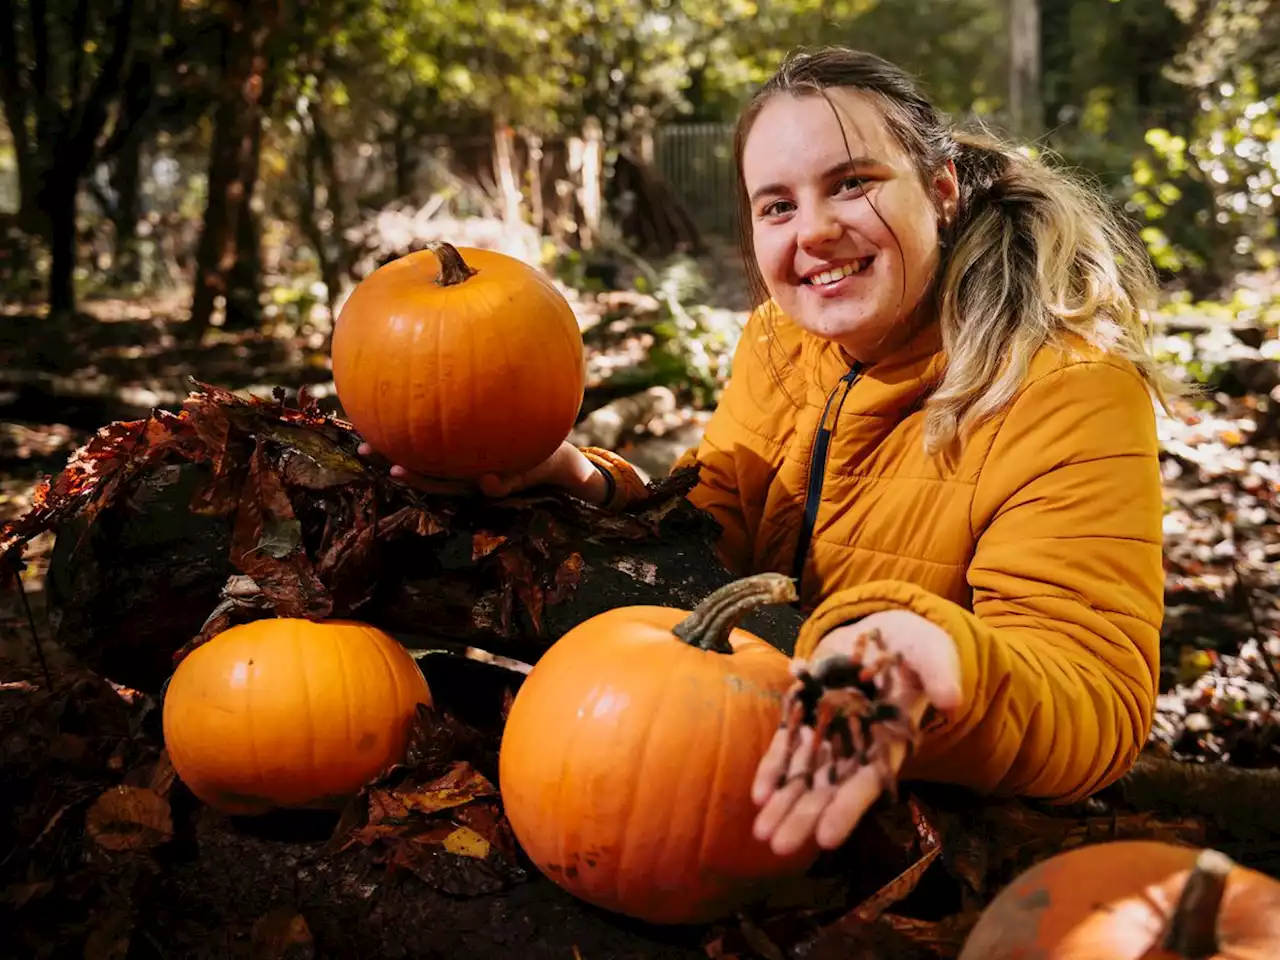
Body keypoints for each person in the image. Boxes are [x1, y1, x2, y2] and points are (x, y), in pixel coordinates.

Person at [359, 47, 1172, 862]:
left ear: (941, 190)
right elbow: (715, 532)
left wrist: (933, 666)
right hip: (719, 767)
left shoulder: (1066, 387)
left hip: (914, 837)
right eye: (777, 205)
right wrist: (581, 480)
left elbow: (1095, 698)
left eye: (853, 183)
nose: (814, 230)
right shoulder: (782, 341)